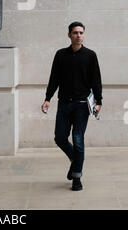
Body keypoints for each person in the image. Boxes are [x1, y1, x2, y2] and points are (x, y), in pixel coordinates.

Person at [41, 22, 103, 191]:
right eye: (75, 32)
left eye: (81, 32)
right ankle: (75, 161)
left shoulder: (90, 55)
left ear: (84, 35)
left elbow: (96, 80)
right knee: (60, 138)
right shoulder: (60, 55)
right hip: (64, 104)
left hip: (82, 106)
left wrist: (99, 101)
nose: (78, 35)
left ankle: (77, 177)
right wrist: (48, 98)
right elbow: (54, 78)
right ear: (69, 35)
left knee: (77, 139)